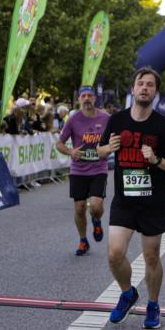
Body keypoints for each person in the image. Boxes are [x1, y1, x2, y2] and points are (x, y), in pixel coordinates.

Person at [97, 67, 165, 329]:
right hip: (124, 200)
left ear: (155, 92)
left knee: (151, 257)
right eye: (140, 83)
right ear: (133, 89)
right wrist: (107, 149)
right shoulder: (117, 120)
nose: (145, 88)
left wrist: (156, 159)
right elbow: (100, 151)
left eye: (150, 85)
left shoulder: (163, 126)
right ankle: (127, 293)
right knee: (114, 254)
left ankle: (154, 305)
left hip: (153, 203)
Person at [56, 86, 110, 256]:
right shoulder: (73, 120)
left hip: (99, 168)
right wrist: (71, 151)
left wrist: (107, 149)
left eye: (90, 95)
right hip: (78, 170)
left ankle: (97, 219)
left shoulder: (106, 118)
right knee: (79, 208)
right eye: (83, 96)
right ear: (79, 99)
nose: (86, 98)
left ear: (95, 98)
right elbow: (59, 143)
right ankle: (83, 240)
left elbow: (115, 140)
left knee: (95, 206)